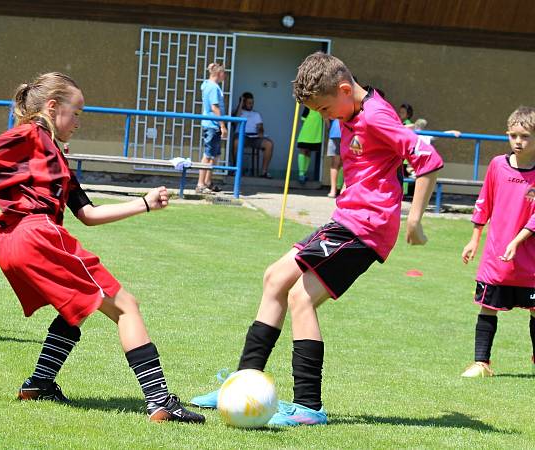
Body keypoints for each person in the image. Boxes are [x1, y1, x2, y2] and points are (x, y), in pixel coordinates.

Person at [0, 72, 205, 423]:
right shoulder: (29, 135)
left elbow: (87, 213)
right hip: (35, 236)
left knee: (74, 311)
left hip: (14, 244)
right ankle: (160, 401)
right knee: (127, 306)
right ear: (53, 107)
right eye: (77, 112)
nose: (79, 122)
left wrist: (143, 204)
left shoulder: (54, 153)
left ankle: (40, 383)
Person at [190, 52, 443, 426]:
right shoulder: (354, 109)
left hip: (365, 228)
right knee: (275, 278)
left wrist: (415, 220)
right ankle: (243, 383)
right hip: (347, 219)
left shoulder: (377, 116)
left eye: (325, 109)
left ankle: (309, 407)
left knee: (300, 296)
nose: (325, 118)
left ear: (344, 90)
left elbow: (428, 160)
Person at [460, 106, 535, 377]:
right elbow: (484, 203)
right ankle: (482, 363)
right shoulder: (497, 166)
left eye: (525, 136)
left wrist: (518, 240)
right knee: (488, 307)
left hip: (529, 262)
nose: (518, 141)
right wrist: (474, 239)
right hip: (497, 257)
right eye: (513, 135)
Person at [196, 62, 227, 194]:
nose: (225, 75)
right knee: (208, 155)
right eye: (224, 73)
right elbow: (214, 107)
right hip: (212, 125)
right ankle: (200, 184)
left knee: (214, 155)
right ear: (219, 74)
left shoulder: (208, 85)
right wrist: (222, 125)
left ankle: (208, 182)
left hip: (211, 124)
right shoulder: (213, 87)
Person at [232, 92, 274, 178]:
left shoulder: (256, 114)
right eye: (249, 103)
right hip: (242, 136)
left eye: (252, 103)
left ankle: (264, 172)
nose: (251, 105)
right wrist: (241, 103)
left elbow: (261, 127)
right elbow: (235, 120)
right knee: (236, 142)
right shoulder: (239, 112)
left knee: (269, 144)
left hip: (254, 138)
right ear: (244, 103)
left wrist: (260, 130)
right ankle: (236, 170)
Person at [296, 107, 323, 185]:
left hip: (315, 134)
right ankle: (301, 174)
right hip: (306, 132)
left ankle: (304, 173)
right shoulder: (309, 106)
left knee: (308, 152)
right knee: (303, 150)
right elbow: (303, 118)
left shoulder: (322, 106)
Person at [326, 118, 342, 198]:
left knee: (343, 163)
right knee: (337, 163)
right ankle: (335, 189)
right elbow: (326, 117)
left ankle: (339, 189)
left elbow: (326, 118)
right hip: (335, 133)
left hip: (338, 133)